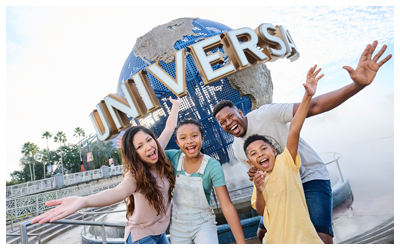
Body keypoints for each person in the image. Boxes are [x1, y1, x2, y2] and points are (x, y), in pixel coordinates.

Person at [212, 41, 392, 244]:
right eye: (222, 122)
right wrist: (255, 177)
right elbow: (261, 179)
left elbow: (312, 107)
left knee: (321, 238)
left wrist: (358, 85)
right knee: (263, 234)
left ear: (240, 112)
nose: (229, 122)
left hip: (309, 177)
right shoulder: (238, 149)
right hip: (283, 186)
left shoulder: (267, 114)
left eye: (230, 116)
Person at [31, 97, 182, 244]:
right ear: (134, 154)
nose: (148, 147)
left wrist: (175, 105)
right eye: (139, 146)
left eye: (149, 140)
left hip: (158, 232)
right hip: (141, 237)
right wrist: (85, 201)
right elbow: (117, 192)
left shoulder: (158, 149)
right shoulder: (135, 176)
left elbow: (169, 127)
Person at [244, 67, 323, 243]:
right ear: (251, 163)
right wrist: (259, 189)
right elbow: (261, 211)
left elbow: (294, 128)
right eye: (254, 154)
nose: (260, 154)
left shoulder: (286, 162)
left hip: (304, 240)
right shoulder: (258, 181)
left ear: (274, 151)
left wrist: (308, 96)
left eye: (264, 149)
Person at [165, 119, 246, 244]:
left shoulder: (212, 166)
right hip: (178, 226)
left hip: (204, 224)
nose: (189, 141)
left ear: (202, 138)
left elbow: (227, 206)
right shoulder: (172, 157)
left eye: (194, 136)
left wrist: (242, 244)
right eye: (183, 138)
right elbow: (150, 151)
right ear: (177, 142)